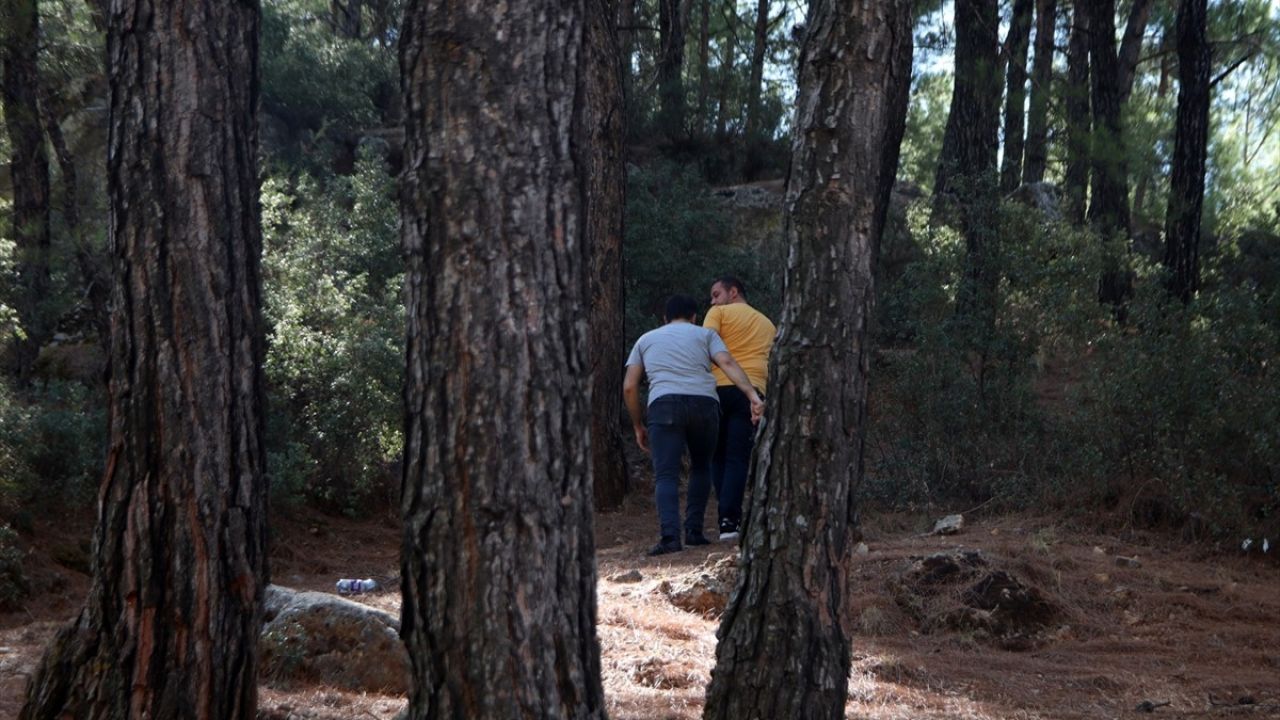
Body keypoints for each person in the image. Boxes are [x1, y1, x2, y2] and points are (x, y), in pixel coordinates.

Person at [624, 294, 765, 556]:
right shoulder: (705, 336)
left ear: (664, 318)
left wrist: (637, 424)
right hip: (705, 405)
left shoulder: (646, 339)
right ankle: (694, 532)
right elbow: (727, 363)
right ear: (694, 317)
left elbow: (630, 385)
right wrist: (752, 396)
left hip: (664, 405)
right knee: (701, 467)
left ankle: (669, 537)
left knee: (666, 474)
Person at [703, 276, 776, 541]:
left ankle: (726, 518)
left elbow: (706, 343)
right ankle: (728, 521)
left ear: (733, 292)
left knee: (716, 455)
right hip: (753, 391)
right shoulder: (768, 323)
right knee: (737, 456)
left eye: (716, 294)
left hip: (718, 388)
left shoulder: (718, 313)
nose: (712, 301)